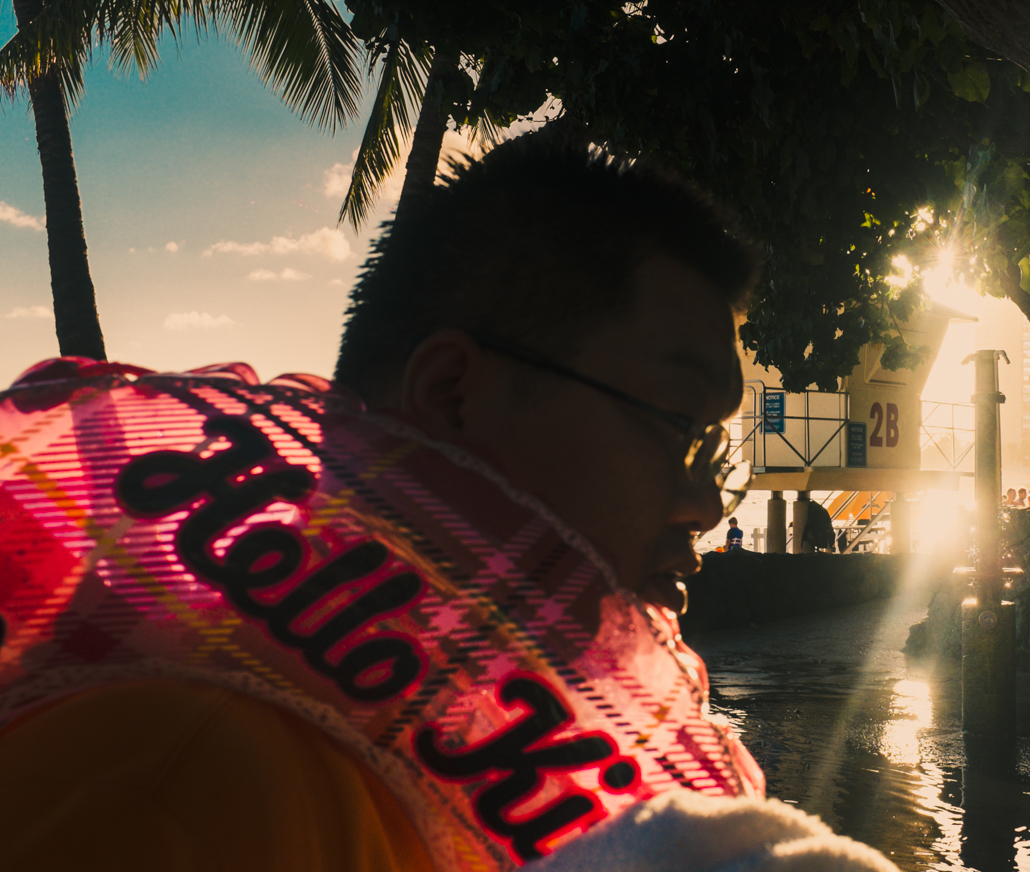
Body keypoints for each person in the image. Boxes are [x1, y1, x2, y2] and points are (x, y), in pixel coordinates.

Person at [0, 138, 898, 872]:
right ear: (453, 394)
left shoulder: (384, 770)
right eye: (676, 424)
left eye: (714, 447)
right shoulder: (192, 778)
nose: (704, 502)